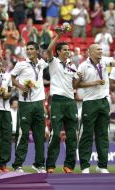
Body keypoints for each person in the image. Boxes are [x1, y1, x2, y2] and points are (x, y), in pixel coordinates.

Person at [45, 30, 82, 173]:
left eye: (68, 49)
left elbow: (74, 86)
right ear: (59, 52)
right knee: (55, 134)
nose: (68, 51)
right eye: (65, 49)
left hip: (70, 101)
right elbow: (48, 50)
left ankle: (69, 165)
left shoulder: (72, 66)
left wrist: (79, 77)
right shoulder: (54, 62)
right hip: (58, 101)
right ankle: (50, 165)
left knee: (72, 135)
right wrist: (59, 35)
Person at [77, 44, 115, 173]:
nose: (101, 51)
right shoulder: (83, 66)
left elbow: (114, 62)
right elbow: (76, 84)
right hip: (89, 102)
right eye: (98, 49)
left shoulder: (106, 61)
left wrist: (112, 77)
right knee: (87, 135)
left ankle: (102, 166)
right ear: (90, 52)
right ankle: (85, 166)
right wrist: (92, 83)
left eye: (101, 49)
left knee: (103, 135)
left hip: (104, 101)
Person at [11, 41, 48, 173]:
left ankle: (39, 164)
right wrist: (21, 86)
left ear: (37, 50)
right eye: (28, 49)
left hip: (39, 103)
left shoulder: (41, 63)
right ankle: (17, 165)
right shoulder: (21, 64)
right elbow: (12, 78)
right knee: (23, 134)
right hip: (25, 103)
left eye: (32, 49)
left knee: (39, 135)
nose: (29, 51)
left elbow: (49, 51)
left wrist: (59, 35)